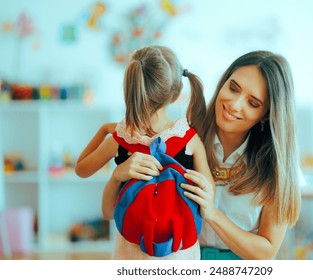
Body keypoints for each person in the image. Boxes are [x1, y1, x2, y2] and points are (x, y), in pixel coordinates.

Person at [102, 50, 302, 260]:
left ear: (267, 114)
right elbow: (119, 206)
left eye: (253, 103)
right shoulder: (183, 138)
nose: (234, 105)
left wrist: (212, 214)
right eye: (233, 88)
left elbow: (266, 252)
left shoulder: (279, 166)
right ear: (223, 82)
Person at [74, 45, 213, 260]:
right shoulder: (190, 141)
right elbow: (208, 197)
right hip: (180, 252)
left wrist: (104, 133)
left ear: (132, 86)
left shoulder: (119, 141)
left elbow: (83, 173)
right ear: (176, 93)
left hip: (131, 254)